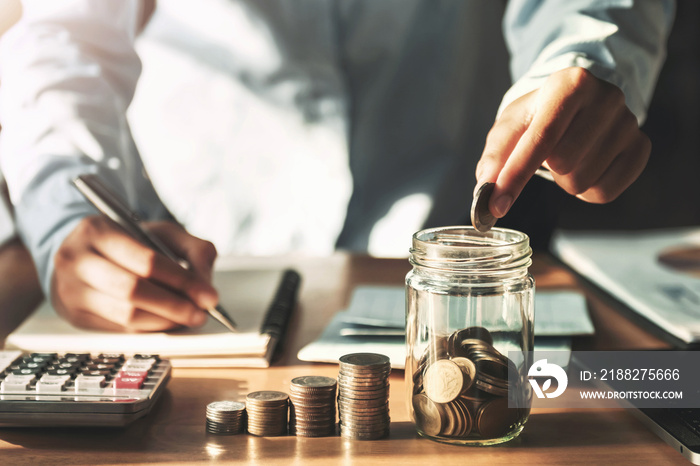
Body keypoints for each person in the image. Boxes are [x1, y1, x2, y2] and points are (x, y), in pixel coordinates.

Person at [0, 0, 674, 332]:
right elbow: (66, 29)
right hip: (198, 258)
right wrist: (65, 211)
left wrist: (589, 55)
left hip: (441, 234)